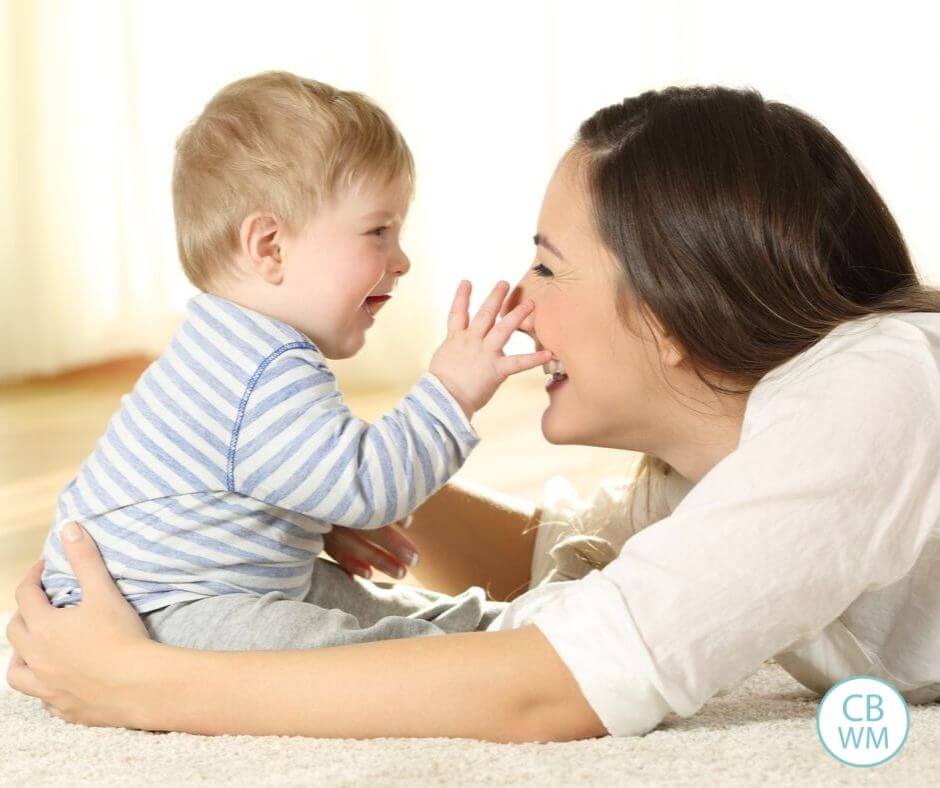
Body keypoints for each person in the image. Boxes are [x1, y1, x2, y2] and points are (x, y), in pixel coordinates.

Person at [9, 86, 940, 743]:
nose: (520, 303)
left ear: (666, 312)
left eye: (545, 265)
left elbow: (554, 690)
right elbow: (556, 563)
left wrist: (147, 685)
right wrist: (300, 488)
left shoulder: (873, 392)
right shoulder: (726, 457)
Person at [37, 70, 551, 651]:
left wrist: (312, 521)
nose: (400, 259)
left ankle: (489, 628)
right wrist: (453, 389)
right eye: (378, 231)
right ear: (271, 247)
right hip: (153, 611)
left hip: (188, 589)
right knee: (333, 649)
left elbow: (259, 484)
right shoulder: (264, 365)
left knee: (346, 600)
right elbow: (367, 486)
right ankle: (484, 646)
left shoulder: (228, 343)